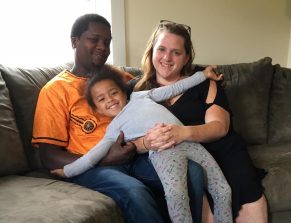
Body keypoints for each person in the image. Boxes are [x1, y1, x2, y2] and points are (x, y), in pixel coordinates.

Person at [31, 14, 209, 223]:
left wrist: (204, 81)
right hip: (92, 166)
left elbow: (157, 91)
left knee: (193, 171)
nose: (102, 46)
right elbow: (48, 157)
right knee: (135, 192)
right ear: (75, 41)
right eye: (94, 39)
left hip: (137, 156)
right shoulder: (55, 90)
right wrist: (105, 159)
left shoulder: (121, 78)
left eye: (107, 42)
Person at [51, 65, 232, 223]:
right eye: (102, 99)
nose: (110, 100)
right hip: (164, 152)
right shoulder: (113, 131)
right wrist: (67, 171)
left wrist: (202, 76)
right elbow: (91, 157)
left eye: (113, 93)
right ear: (97, 109)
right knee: (177, 196)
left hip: (188, 140)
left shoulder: (140, 97)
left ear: (123, 92)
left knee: (223, 190)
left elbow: (173, 89)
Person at [133, 20, 268, 223]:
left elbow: (220, 127)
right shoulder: (136, 91)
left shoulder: (204, 81)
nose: (167, 58)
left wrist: (181, 133)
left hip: (222, 150)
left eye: (176, 52)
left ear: (186, 57)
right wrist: (146, 143)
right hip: (180, 157)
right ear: (152, 51)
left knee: (247, 195)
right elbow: (124, 141)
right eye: (161, 49)